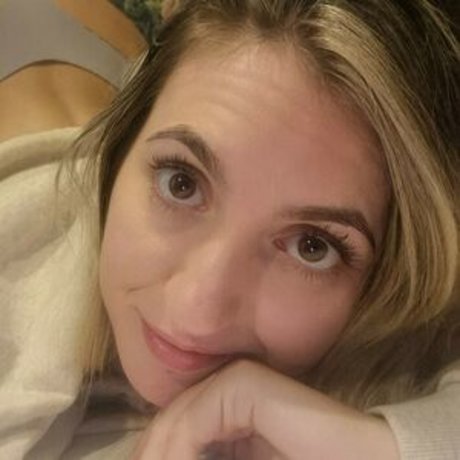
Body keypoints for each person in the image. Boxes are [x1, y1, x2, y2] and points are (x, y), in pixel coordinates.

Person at [0, 0, 458, 459]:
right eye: (181, 183)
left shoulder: (404, 350)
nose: (197, 310)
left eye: (311, 246)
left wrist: (375, 445)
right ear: (121, 145)